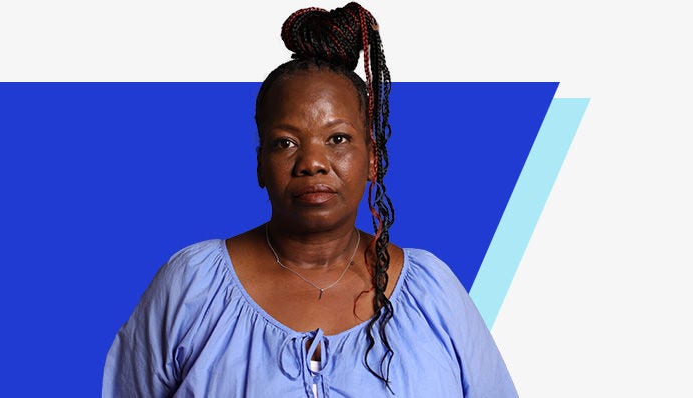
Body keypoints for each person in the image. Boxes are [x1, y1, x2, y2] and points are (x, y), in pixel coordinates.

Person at [103, 3, 518, 397]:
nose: (313, 162)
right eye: (285, 143)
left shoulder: (433, 293)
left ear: (374, 158)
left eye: (338, 139)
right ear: (260, 165)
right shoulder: (192, 286)